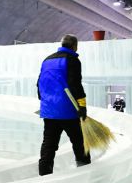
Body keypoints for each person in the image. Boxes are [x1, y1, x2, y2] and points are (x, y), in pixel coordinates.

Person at [36, 34, 91, 175]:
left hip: (49, 111)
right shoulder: (72, 60)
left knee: (49, 145)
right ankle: (85, 173)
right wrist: (82, 106)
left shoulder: (47, 60)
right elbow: (75, 85)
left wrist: (45, 102)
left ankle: (44, 175)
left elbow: (39, 84)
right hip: (67, 110)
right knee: (80, 143)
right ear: (74, 46)